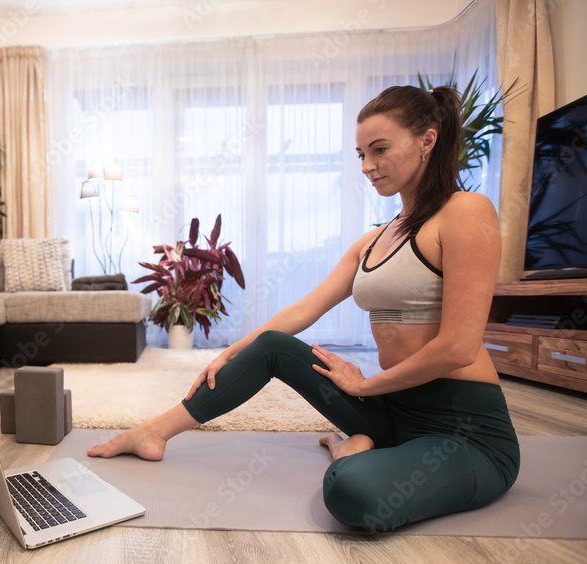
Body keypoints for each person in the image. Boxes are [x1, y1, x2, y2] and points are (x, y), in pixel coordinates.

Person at [87, 85, 521, 533]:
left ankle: (353, 449)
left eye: (380, 150)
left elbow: (458, 347)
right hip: (396, 414)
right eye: (360, 155)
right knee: (273, 345)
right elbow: (303, 310)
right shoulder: (373, 241)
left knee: (352, 492)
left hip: (465, 433)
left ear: (427, 141)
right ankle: (154, 431)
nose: (368, 166)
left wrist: (366, 387)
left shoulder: (466, 211)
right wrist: (231, 352)